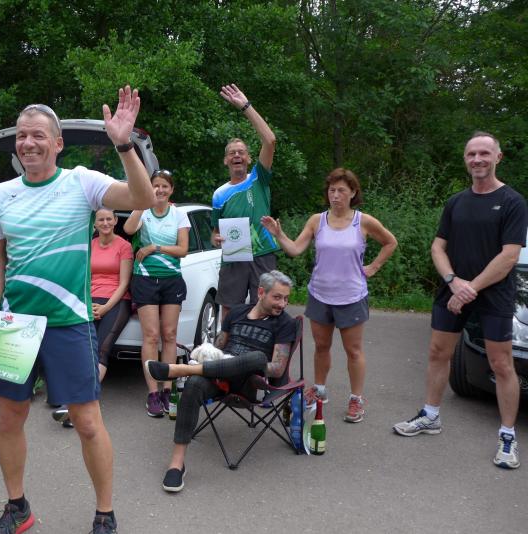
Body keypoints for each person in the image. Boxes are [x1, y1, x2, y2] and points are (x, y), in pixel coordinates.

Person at [0, 87, 155, 534]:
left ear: (57, 143)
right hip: (14, 324)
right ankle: (17, 507)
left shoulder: (81, 181)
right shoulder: (2, 193)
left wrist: (124, 145)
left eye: (38, 135)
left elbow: (142, 199)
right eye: (22, 136)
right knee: (9, 419)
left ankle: (105, 513)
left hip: (70, 321)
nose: (28, 143)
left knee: (88, 422)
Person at [393, 132, 527, 470]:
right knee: (438, 353)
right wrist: (453, 282)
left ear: (498, 157)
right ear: (466, 159)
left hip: (494, 294)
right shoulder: (456, 202)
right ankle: (430, 415)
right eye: (471, 154)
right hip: (452, 289)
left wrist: (471, 289)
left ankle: (507, 436)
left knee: (501, 364)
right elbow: (438, 247)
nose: (477, 159)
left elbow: (509, 256)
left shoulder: (513, 201)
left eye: (484, 153)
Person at [261, 168, 397, 422]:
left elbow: (390, 242)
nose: (335, 195)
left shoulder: (363, 221)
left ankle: (356, 399)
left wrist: (374, 267)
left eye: (341, 190)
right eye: (332, 190)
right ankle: (320, 390)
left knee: (353, 350)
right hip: (320, 294)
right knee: (322, 346)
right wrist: (278, 234)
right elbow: (295, 249)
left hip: (352, 296)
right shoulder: (317, 220)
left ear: (353, 193)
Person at [145, 270, 298, 492]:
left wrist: (245, 363)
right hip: (219, 379)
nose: (282, 304)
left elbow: (277, 368)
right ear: (261, 292)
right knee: (193, 384)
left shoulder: (285, 323)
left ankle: (180, 370)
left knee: (256, 358)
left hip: (248, 383)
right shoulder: (236, 313)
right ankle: (177, 464)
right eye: (277, 297)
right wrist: (207, 354)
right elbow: (217, 348)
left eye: (286, 298)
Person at [52, 207, 133, 426]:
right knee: (81, 349)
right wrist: (87, 303)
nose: (105, 223)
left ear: (115, 221)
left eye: (109, 219)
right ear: (94, 224)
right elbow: (82, 278)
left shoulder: (124, 246)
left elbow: (124, 283)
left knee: (102, 349)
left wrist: (105, 308)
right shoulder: (89, 244)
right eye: (100, 220)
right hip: (89, 300)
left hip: (116, 301)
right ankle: (71, 400)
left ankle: (79, 404)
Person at [210, 84, 280, 323]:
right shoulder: (219, 194)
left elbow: (270, 140)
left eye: (241, 152)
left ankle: (261, 348)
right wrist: (216, 239)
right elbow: (215, 233)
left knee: (267, 309)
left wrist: (246, 106)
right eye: (232, 153)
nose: (237, 155)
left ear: (249, 158)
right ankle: (228, 347)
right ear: (225, 160)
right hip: (234, 256)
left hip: (263, 253)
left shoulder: (258, 178)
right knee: (229, 312)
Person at [123, 170, 190, 417]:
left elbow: (183, 250)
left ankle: (168, 389)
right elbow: (129, 229)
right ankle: (153, 393)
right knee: (151, 336)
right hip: (145, 280)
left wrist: (155, 247)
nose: (159, 190)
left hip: (172, 280)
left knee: (169, 335)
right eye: (155, 186)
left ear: (171, 190)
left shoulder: (179, 214)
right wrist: (142, 202)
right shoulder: (143, 212)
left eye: (164, 186)